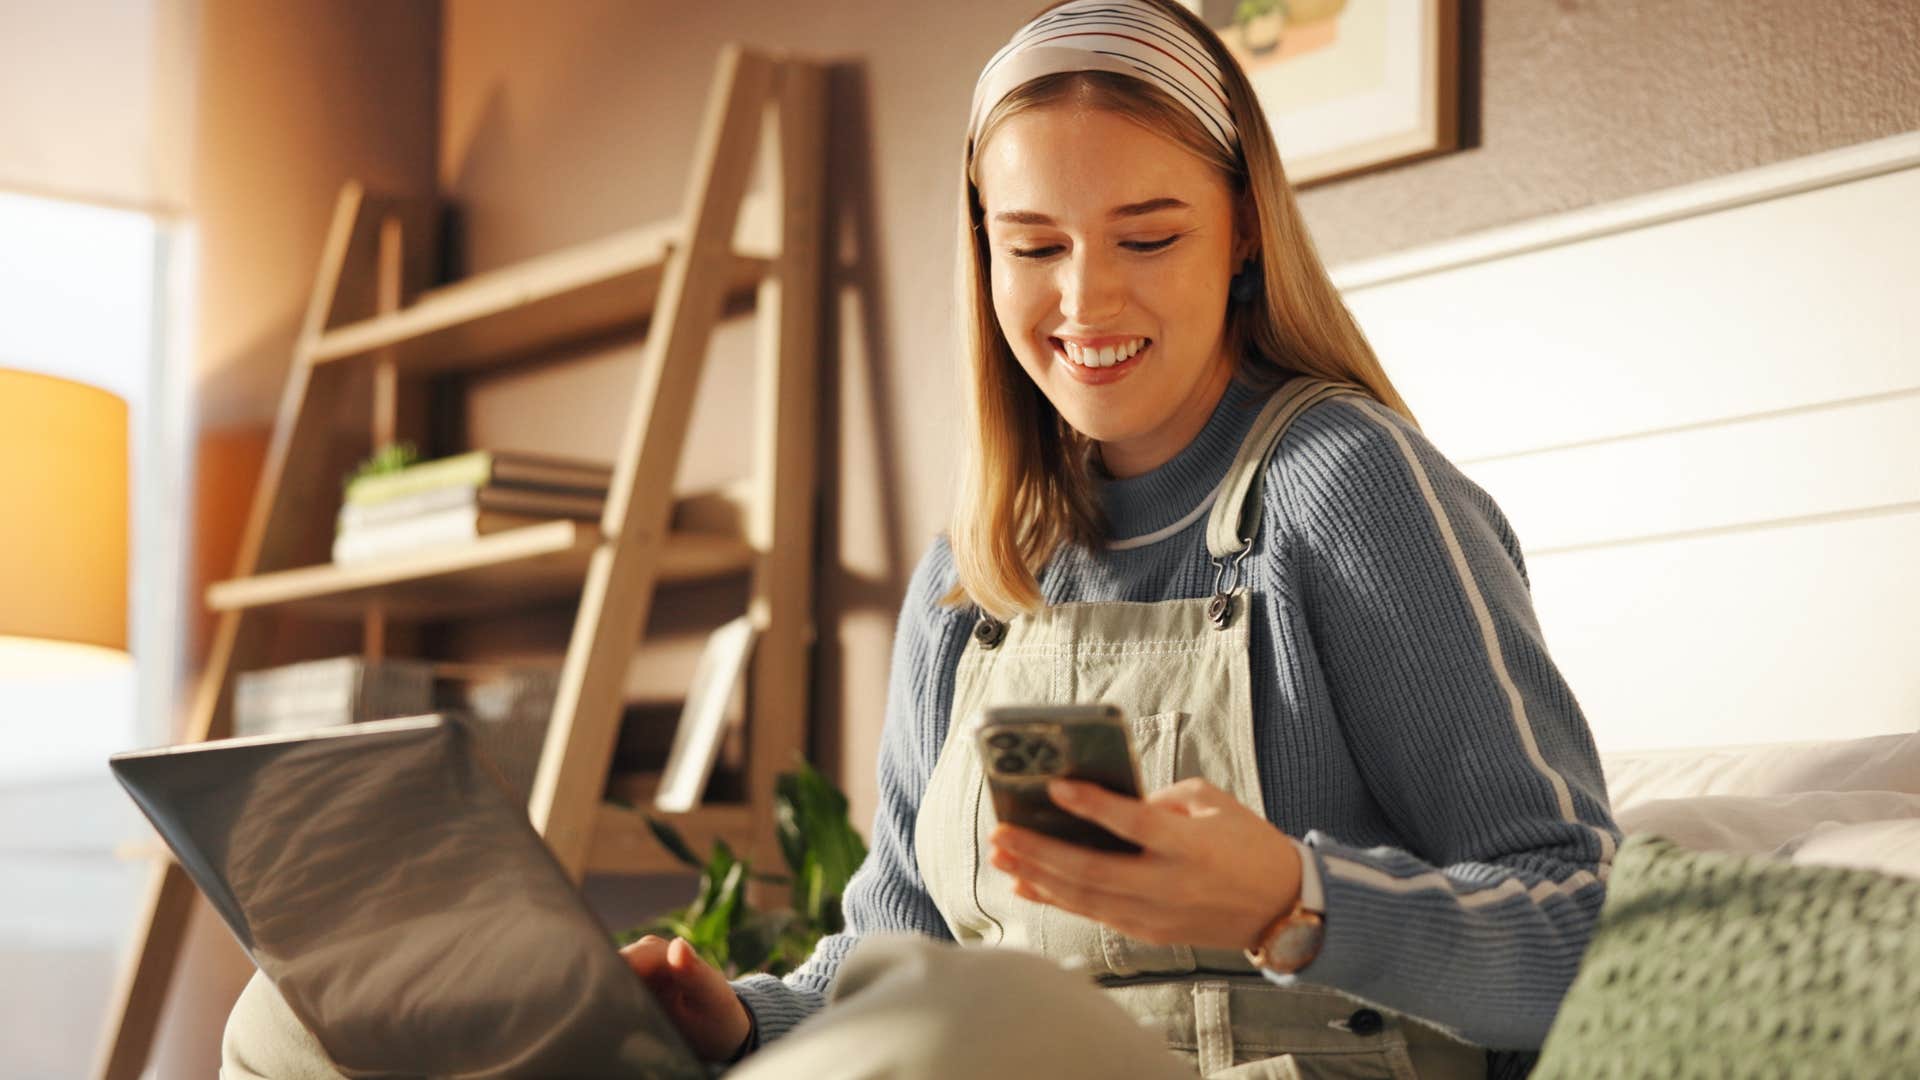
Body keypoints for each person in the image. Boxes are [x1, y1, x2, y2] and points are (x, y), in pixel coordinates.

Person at [222, 1, 1620, 1076]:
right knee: (305, 1017)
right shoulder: (983, 561)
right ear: (983, 248)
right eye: (1034, 244)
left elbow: (1579, 929)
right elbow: (894, 957)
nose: (1085, 298)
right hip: (971, 1055)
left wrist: (1294, 898)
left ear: (1242, 234)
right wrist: (738, 1012)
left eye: (1147, 235)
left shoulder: (1345, 483)